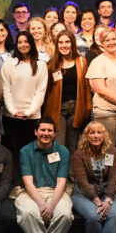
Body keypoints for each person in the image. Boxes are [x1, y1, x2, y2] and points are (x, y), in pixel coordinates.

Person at [15, 118, 73, 233]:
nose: (46, 133)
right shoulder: (25, 151)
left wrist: (52, 205)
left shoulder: (63, 151)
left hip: (56, 191)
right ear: (36, 132)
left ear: (54, 133)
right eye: (43, 130)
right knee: (27, 214)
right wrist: (42, 204)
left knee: (64, 215)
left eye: (50, 130)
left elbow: (62, 182)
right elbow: (27, 182)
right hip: (31, 192)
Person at [70, 121, 116, 233]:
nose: (96, 136)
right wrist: (98, 202)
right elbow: (82, 182)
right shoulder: (79, 154)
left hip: (108, 192)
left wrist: (108, 200)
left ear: (104, 135)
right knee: (93, 217)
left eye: (99, 132)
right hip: (83, 194)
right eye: (92, 132)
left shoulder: (111, 151)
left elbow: (113, 178)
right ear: (86, 136)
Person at [1, 31, 49, 172]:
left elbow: (40, 92)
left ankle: (29, 181)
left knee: (31, 153)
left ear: (31, 44)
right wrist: (14, 111)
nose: (23, 45)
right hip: (11, 116)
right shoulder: (9, 63)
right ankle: (15, 184)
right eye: (20, 42)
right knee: (13, 151)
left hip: (32, 117)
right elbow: (6, 90)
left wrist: (28, 112)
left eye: (26, 41)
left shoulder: (41, 65)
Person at [43, 29, 91, 157]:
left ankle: (71, 176)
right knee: (59, 145)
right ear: (56, 45)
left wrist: (87, 108)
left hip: (76, 109)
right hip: (58, 110)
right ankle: (59, 176)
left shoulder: (81, 61)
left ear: (73, 44)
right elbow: (47, 90)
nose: (64, 45)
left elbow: (87, 87)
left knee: (73, 145)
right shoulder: (51, 64)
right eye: (61, 42)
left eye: (67, 42)